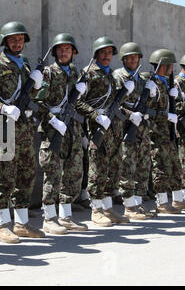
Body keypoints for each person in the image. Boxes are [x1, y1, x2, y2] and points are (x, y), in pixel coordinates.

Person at [0, 21, 45, 243]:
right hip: (3, 129)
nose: (17, 43)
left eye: (21, 39)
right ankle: (3, 225)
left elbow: (31, 99)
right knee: (3, 177)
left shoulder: (24, 67)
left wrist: (35, 86)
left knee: (26, 175)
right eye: (13, 39)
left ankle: (22, 223)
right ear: (5, 41)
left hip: (24, 130)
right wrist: (3, 108)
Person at [75, 36, 133, 227]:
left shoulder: (110, 75)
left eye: (109, 53)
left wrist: (129, 111)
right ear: (96, 54)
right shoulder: (88, 73)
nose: (107, 56)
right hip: (98, 129)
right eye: (103, 52)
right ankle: (96, 210)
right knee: (97, 170)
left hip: (114, 130)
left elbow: (113, 104)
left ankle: (108, 208)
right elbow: (77, 102)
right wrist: (95, 115)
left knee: (113, 169)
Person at [36, 33, 89, 234]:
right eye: (60, 49)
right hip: (54, 128)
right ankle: (49, 218)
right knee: (53, 172)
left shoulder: (76, 74)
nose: (64, 52)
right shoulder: (48, 73)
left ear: (73, 52)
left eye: (67, 49)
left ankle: (65, 215)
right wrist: (52, 119)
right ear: (55, 52)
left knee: (74, 172)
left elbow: (79, 103)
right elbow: (38, 102)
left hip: (73, 128)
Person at [114, 42, 157, 219]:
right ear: (123, 59)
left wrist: (153, 95)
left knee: (143, 165)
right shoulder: (119, 77)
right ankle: (129, 206)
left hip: (142, 129)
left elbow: (148, 105)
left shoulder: (141, 79)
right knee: (128, 166)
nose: (133, 60)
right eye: (130, 57)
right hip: (126, 127)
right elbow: (114, 104)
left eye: (136, 57)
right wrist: (130, 114)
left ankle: (138, 204)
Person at [145, 49, 184, 213]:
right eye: (170, 65)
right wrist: (166, 116)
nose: (172, 68)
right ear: (164, 65)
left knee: (175, 165)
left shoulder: (166, 83)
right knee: (160, 166)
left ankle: (178, 200)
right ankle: (161, 202)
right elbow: (148, 111)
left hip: (168, 132)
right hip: (156, 132)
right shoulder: (152, 83)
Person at [174, 54, 185, 202]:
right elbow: (175, 106)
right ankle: (183, 193)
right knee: (184, 161)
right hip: (182, 129)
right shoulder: (177, 83)